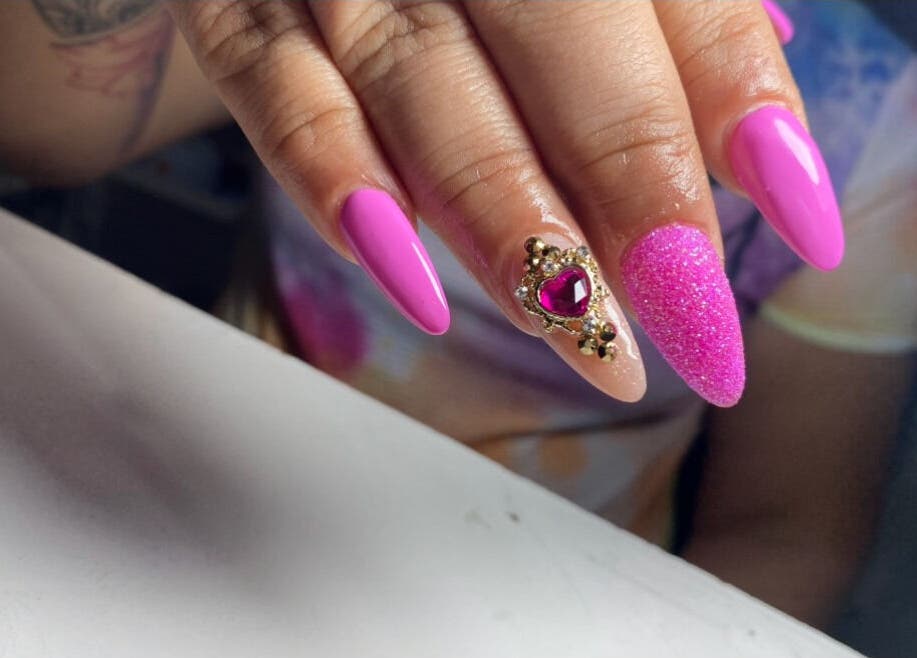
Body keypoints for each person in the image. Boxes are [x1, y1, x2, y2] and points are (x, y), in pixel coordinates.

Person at [0, 0, 914, 632]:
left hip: (560, 599)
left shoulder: (874, 113)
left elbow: (788, 528)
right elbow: (48, 128)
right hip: (184, 500)